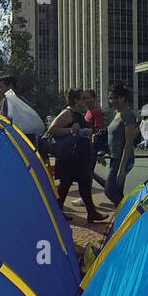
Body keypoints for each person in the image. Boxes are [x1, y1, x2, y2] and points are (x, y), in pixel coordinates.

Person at [49, 91, 104, 222]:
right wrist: (72, 131)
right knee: (66, 186)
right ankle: (57, 214)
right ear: (76, 101)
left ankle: (91, 212)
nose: (85, 101)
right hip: (70, 157)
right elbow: (52, 129)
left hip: (79, 157)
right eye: (82, 98)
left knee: (83, 184)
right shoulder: (68, 113)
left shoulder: (79, 114)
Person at [98, 88, 138, 196]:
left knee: (110, 191)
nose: (111, 101)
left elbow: (128, 143)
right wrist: (103, 152)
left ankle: (126, 210)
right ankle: (120, 211)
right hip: (114, 157)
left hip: (122, 159)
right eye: (110, 98)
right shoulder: (117, 114)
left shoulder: (128, 116)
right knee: (116, 191)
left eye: (114, 98)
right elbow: (111, 137)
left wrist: (122, 168)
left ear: (123, 98)